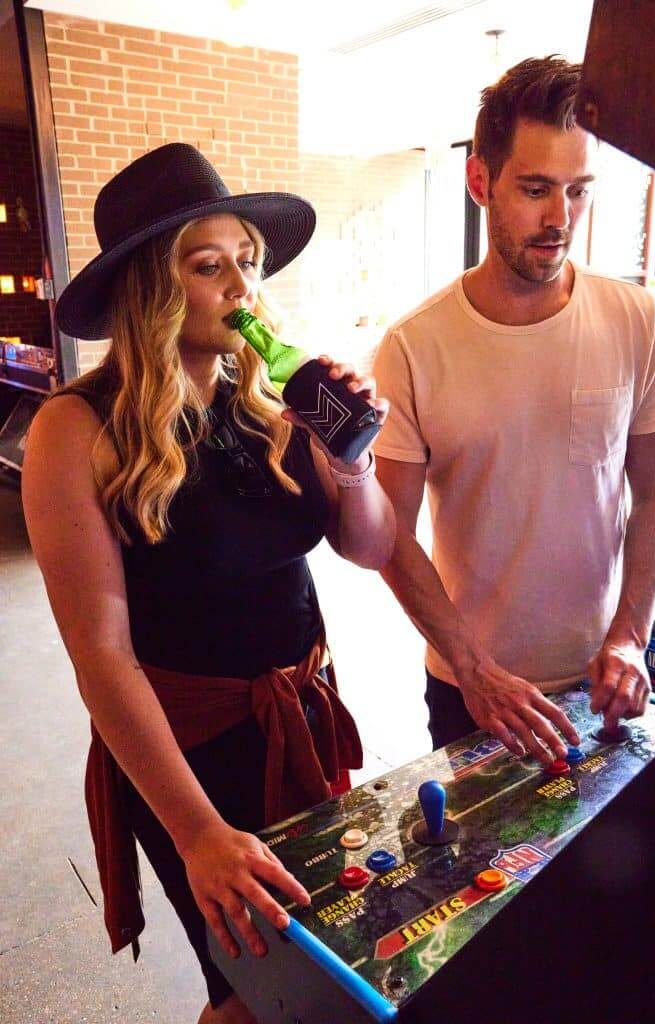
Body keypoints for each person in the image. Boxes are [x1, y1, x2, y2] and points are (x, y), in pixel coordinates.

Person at [22, 143, 395, 1024]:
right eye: (208, 265)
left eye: (248, 263)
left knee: (314, 958)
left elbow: (371, 548)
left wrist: (353, 459)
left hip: (298, 718)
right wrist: (197, 835)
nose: (241, 286)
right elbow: (102, 658)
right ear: (153, 285)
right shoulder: (74, 429)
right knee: (244, 990)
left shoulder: (272, 404)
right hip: (184, 750)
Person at [373, 57, 655, 763]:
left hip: (602, 674)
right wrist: (472, 669)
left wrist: (630, 635)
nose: (558, 218)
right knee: (483, 875)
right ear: (479, 181)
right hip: (471, 685)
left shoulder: (636, 320)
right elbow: (390, 533)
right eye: (535, 189)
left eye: (578, 191)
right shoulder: (414, 346)